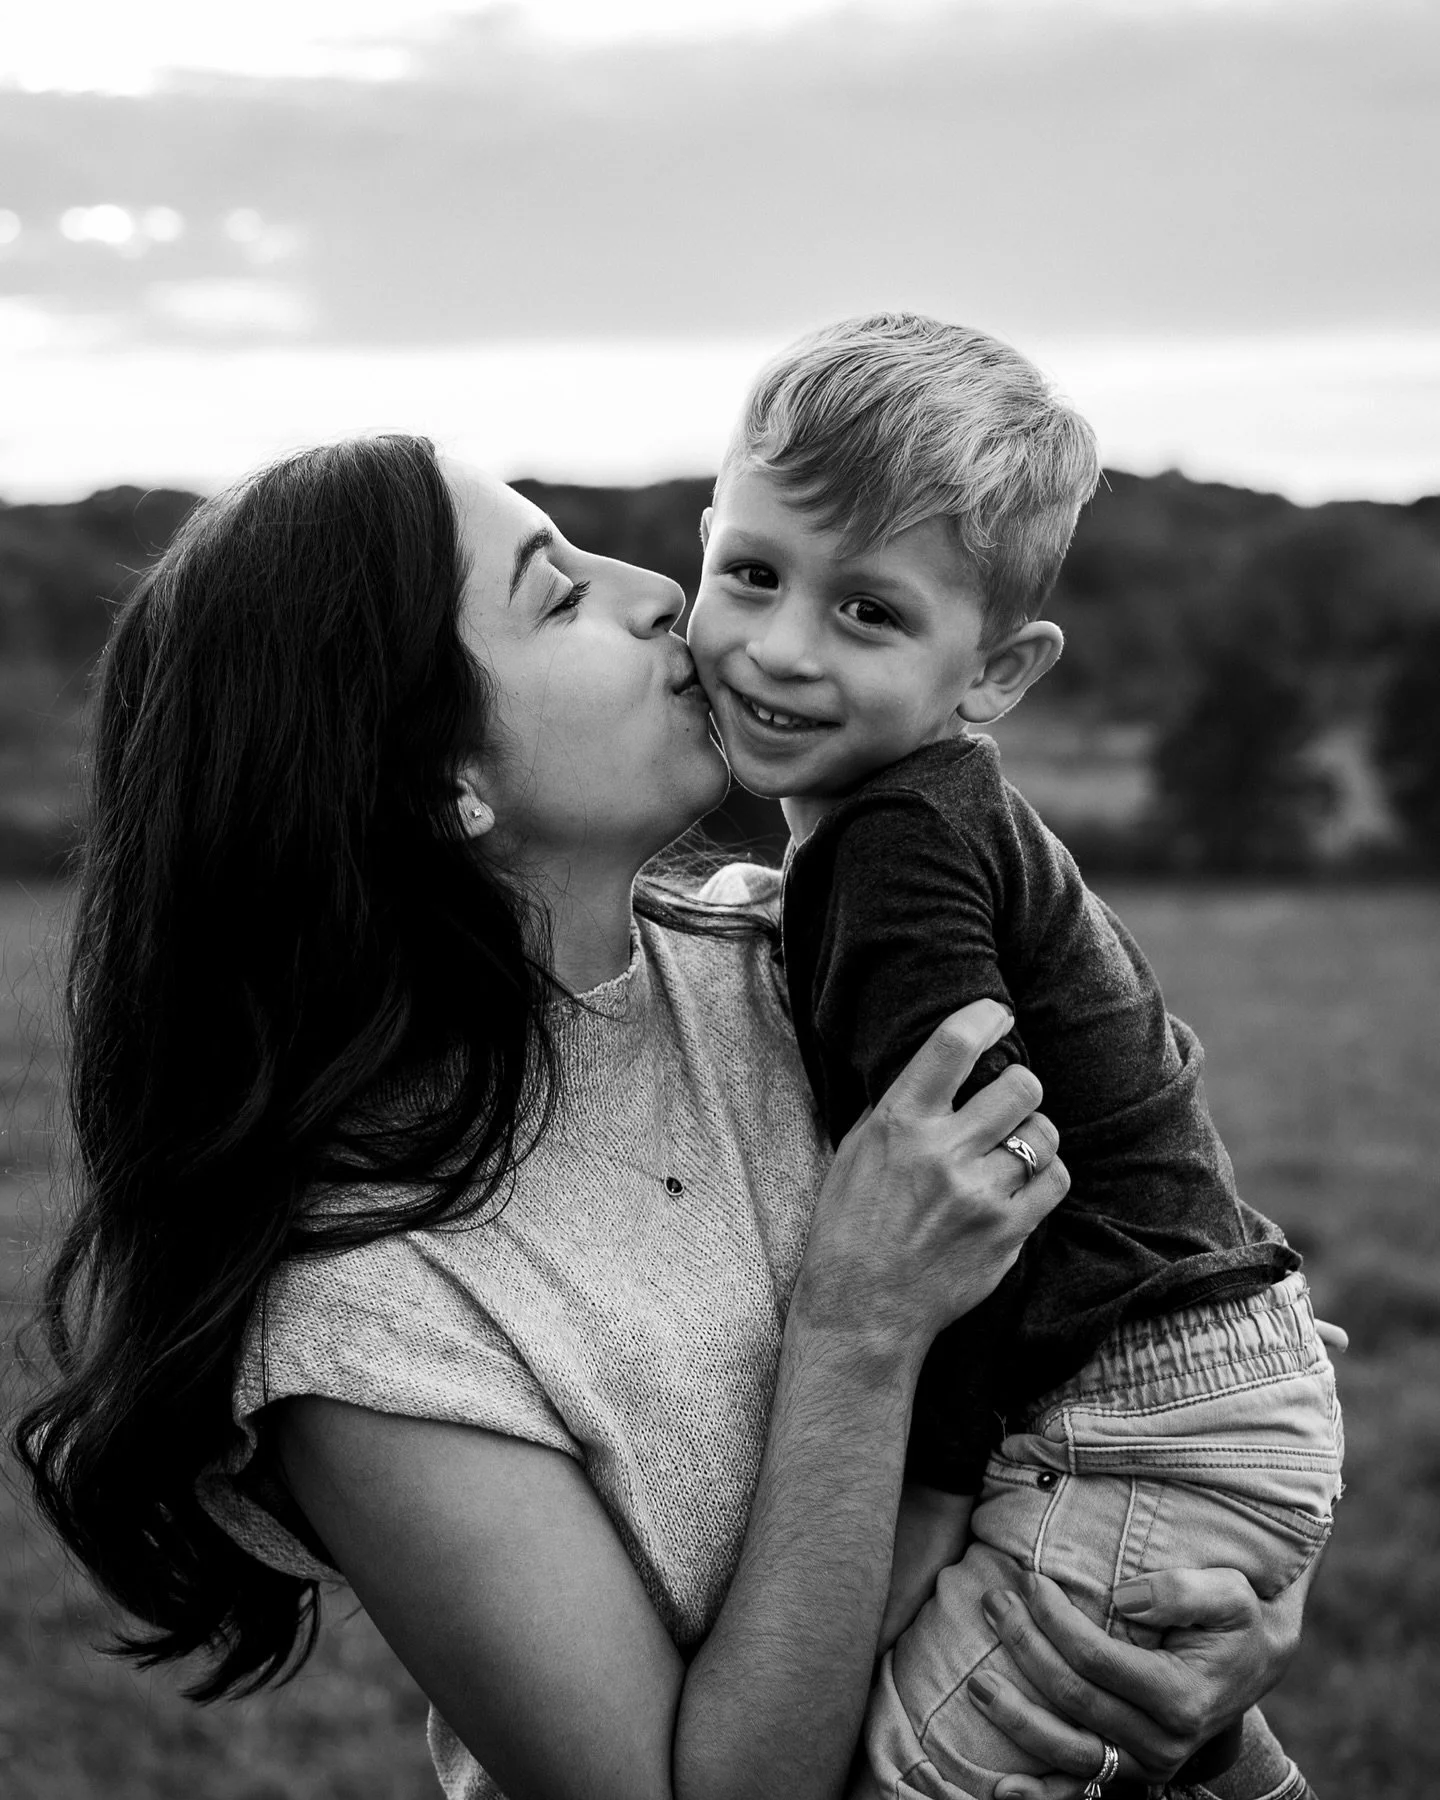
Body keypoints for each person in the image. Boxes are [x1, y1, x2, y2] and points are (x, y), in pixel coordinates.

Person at [16, 434, 1319, 1800]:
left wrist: (1223, 1591)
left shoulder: (803, 959)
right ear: (431, 778)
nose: (655, 590)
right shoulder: (365, 1317)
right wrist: (858, 1330)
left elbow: (1151, 1269)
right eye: (556, 594)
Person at [686, 315, 1343, 1800]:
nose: (781, 647)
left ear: (996, 673)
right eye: (754, 574)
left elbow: (969, 1208)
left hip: (1133, 1414)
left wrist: (918, 1518)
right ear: (706, 541)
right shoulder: (902, 832)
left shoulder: (899, 846)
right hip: (1193, 1375)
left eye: (870, 613)